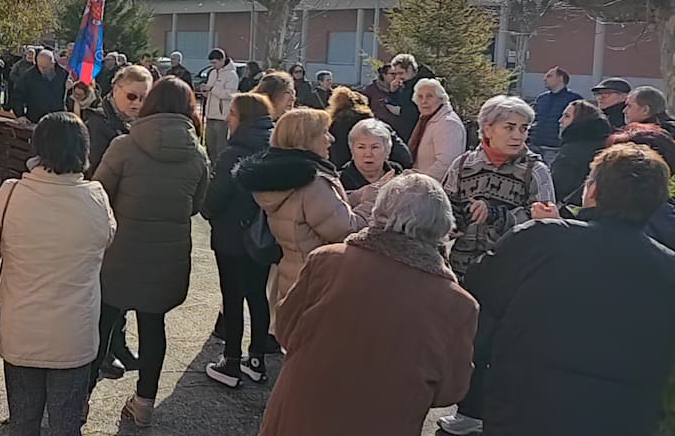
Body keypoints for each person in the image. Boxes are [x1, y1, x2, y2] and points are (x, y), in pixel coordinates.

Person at [443, 143, 675, 436]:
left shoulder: (542, 239)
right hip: (622, 416)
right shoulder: (667, 269)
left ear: (591, 191)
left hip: (525, 407)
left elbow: (479, 282)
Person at [261, 174, 478, 436]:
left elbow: (285, 329)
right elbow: (450, 390)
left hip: (299, 417)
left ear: (379, 212)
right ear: (443, 226)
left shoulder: (328, 261)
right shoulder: (458, 305)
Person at [0, 113, 116, 435]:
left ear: (37, 147)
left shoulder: (12, 193)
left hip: (22, 329)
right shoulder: (97, 196)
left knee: (23, 421)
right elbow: (106, 239)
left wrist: (8, 251)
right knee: (66, 423)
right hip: (75, 335)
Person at [88, 77, 209, 427]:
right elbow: (195, 206)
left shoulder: (124, 146)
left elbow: (100, 194)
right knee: (154, 327)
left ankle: (79, 401)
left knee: (102, 326)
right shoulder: (198, 154)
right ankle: (144, 403)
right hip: (168, 256)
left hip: (120, 253)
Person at [437, 96, 557, 436]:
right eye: (510, 127)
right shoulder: (463, 165)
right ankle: (469, 411)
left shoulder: (535, 170)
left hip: (511, 273)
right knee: (468, 344)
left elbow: (547, 219)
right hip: (464, 269)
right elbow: (446, 208)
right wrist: (456, 218)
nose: (518, 135)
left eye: (523, 128)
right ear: (487, 129)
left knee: (502, 347)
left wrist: (501, 215)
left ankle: (498, 415)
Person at [237, 108, 369, 352]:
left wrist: (354, 197)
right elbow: (346, 230)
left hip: (293, 272)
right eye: (324, 133)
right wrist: (372, 201)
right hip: (319, 279)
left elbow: (314, 215)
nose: (331, 139)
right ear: (305, 138)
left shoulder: (281, 177)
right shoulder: (312, 182)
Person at [83, 64, 151, 378]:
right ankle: (103, 350)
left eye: (143, 97)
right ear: (116, 90)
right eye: (131, 96)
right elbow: (96, 173)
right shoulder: (100, 123)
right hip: (103, 213)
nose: (137, 103)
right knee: (105, 291)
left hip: (130, 216)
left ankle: (117, 343)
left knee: (121, 291)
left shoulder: (142, 126)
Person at [202, 93, 275, 388]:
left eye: (232, 113)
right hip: (263, 237)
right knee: (258, 296)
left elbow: (213, 200)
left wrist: (208, 211)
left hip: (232, 237)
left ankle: (230, 361)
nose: (228, 118)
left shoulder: (233, 153)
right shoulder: (276, 147)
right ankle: (256, 360)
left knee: (232, 297)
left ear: (242, 117)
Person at [327, 86, 412, 169]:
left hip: (342, 175)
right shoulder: (378, 127)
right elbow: (404, 156)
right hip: (380, 174)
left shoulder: (329, 130)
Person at [549, 99, 611, 204]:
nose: (560, 120)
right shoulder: (605, 145)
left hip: (569, 208)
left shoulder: (570, 151)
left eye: (567, 116)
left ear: (580, 120)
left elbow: (557, 186)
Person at [408, 78, 467, 181]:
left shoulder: (448, 123)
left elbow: (447, 163)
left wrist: (422, 182)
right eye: (420, 97)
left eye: (429, 96)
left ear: (441, 99)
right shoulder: (426, 120)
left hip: (436, 189)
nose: (424, 101)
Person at [528, 66, 582, 164]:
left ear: (560, 78)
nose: (544, 79)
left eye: (549, 76)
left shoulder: (574, 99)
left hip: (556, 147)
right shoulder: (541, 98)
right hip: (535, 146)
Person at [339, 118, 404, 191]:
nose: (368, 154)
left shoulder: (398, 173)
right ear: (352, 150)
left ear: (387, 149)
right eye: (361, 147)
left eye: (375, 147)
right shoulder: (340, 181)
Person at [12, 49, 69, 124]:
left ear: (52, 64)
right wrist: (20, 115)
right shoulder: (29, 76)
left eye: (45, 67)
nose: (41, 69)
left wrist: (70, 87)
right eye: (39, 66)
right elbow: (17, 96)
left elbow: (71, 97)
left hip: (58, 120)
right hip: (36, 119)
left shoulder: (63, 75)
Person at [203, 48, 238, 162]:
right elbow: (210, 91)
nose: (213, 65)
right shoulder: (212, 73)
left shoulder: (232, 75)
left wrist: (212, 89)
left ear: (222, 60)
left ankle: (219, 169)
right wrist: (205, 91)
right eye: (211, 63)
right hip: (210, 114)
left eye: (215, 63)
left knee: (220, 147)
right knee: (209, 146)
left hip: (222, 117)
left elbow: (230, 94)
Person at [389, 53, 434, 141]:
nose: (398, 77)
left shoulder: (424, 85)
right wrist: (393, 92)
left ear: (410, 69)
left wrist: (401, 111)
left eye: (401, 73)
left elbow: (423, 110)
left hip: (419, 133)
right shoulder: (406, 84)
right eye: (396, 74)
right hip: (406, 131)